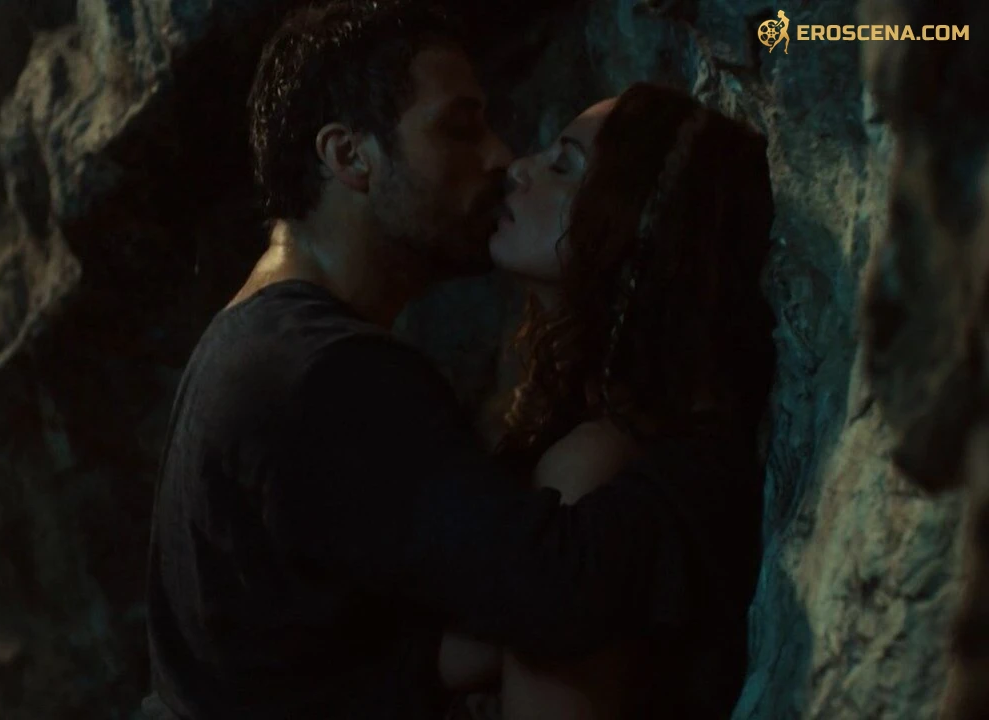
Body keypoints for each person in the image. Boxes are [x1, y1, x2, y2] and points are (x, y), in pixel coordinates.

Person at [142, 3, 749, 718]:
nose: (500, 157)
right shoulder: (326, 373)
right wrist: (711, 457)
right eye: (459, 129)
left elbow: (322, 659)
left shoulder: (263, 340)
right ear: (349, 156)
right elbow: (557, 590)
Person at [440, 85, 777, 718]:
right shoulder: (633, 426)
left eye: (565, 166)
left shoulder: (594, 466)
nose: (519, 168)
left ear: (638, 229)